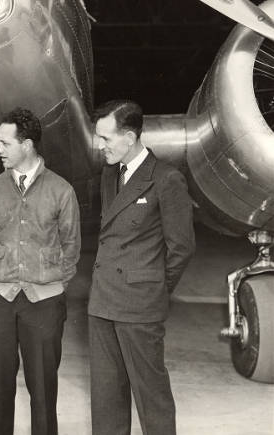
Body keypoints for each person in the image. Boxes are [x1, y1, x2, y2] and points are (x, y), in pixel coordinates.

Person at [89, 100, 195, 435]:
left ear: (131, 136)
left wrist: (152, 290)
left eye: (106, 138)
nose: (99, 145)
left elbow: (182, 247)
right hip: (103, 301)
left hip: (139, 307)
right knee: (106, 399)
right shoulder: (110, 174)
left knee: (152, 399)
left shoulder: (165, 179)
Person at [0, 107, 81, 435]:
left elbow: (72, 247)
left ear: (27, 145)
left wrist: (49, 284)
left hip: (44, 302)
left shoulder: (61, 190)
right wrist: (2, 272)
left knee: (43, 394)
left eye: (4, 143)